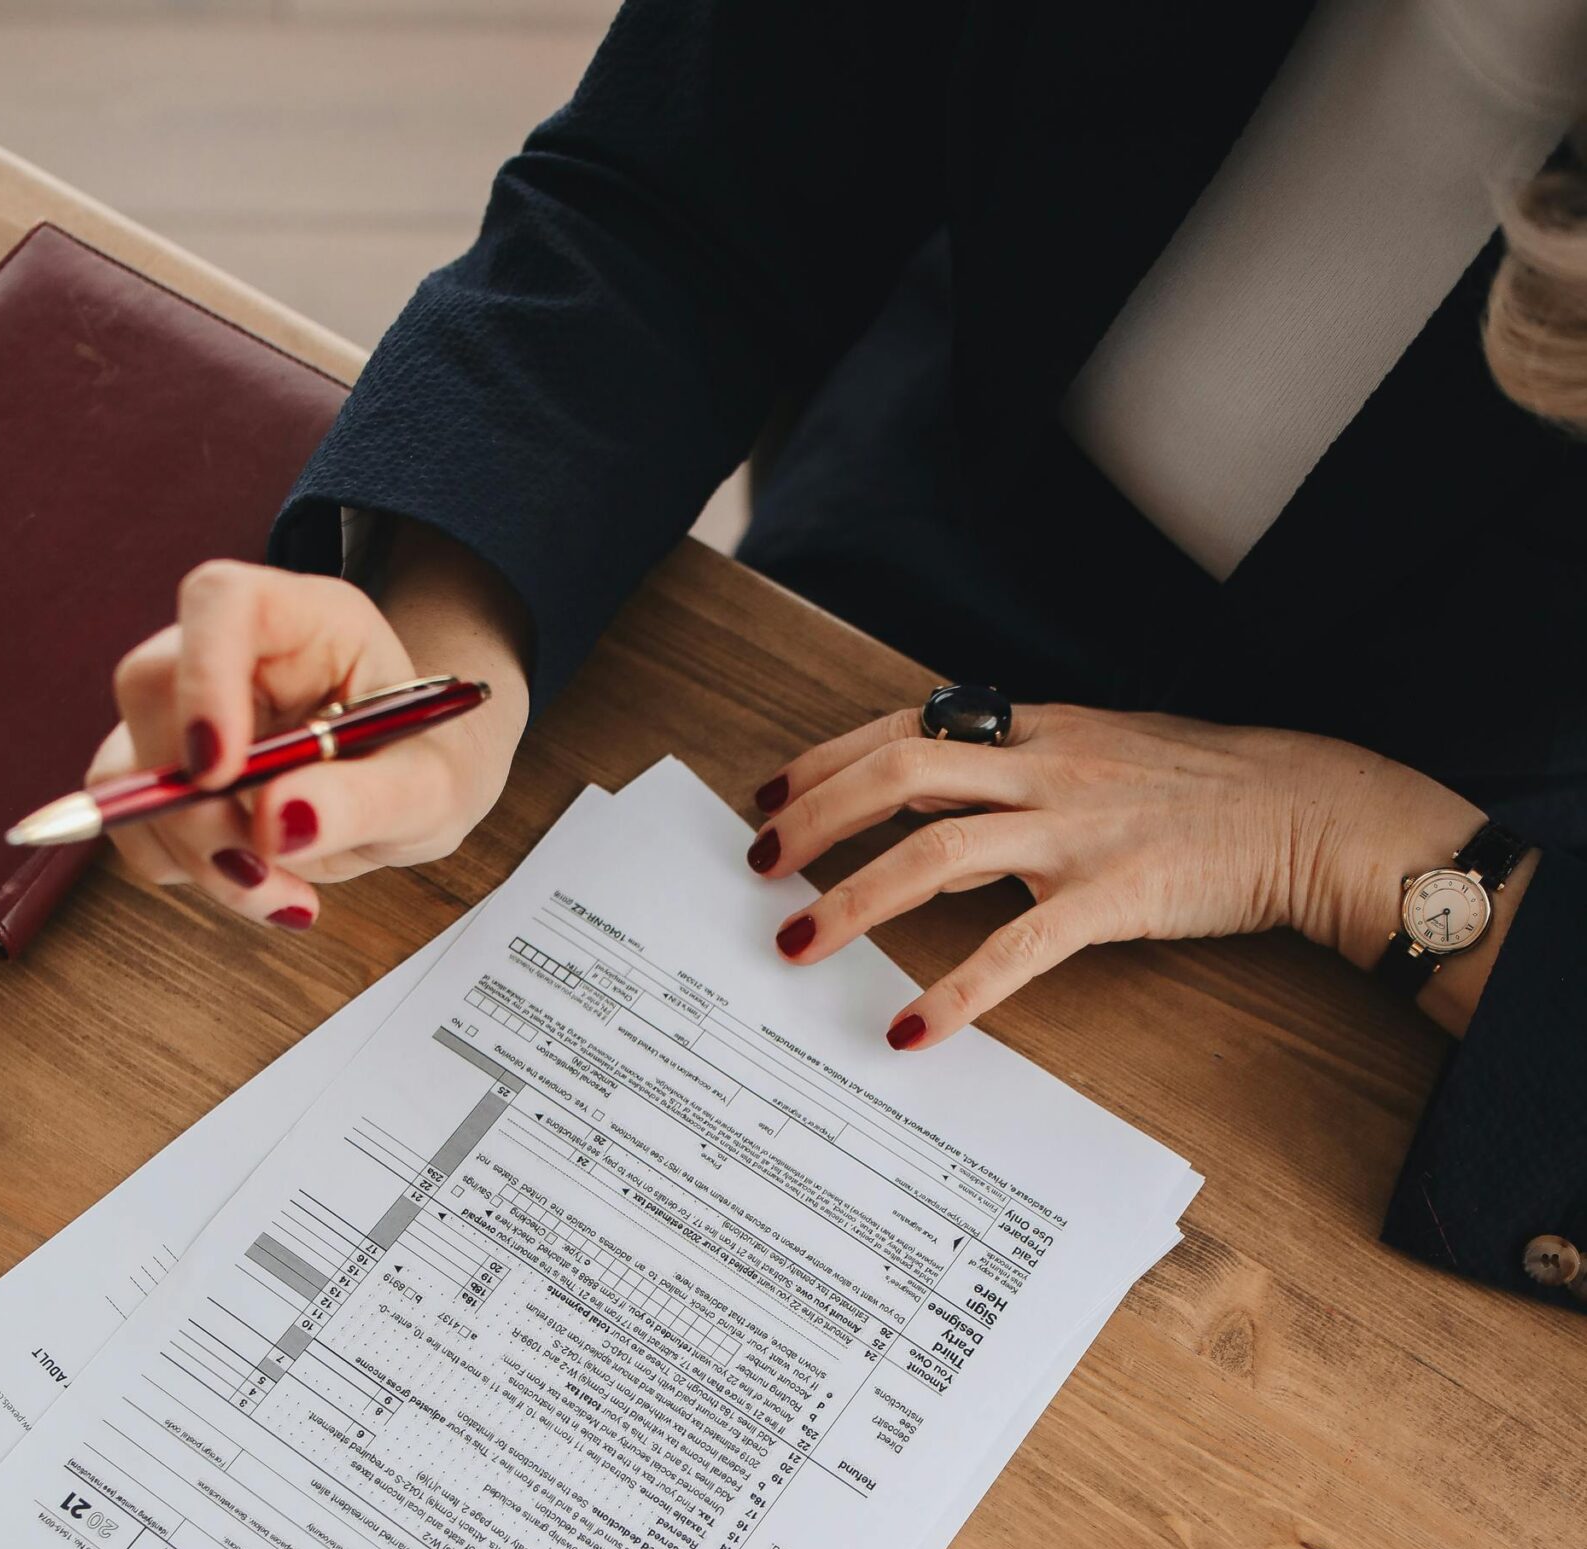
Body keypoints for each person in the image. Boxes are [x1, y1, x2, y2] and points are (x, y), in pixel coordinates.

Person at [87, 0, 1587, 1308]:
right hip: (920, 575)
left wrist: (1345, 847)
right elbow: (692, 180)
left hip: (1480, 906)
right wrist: (452, 637)